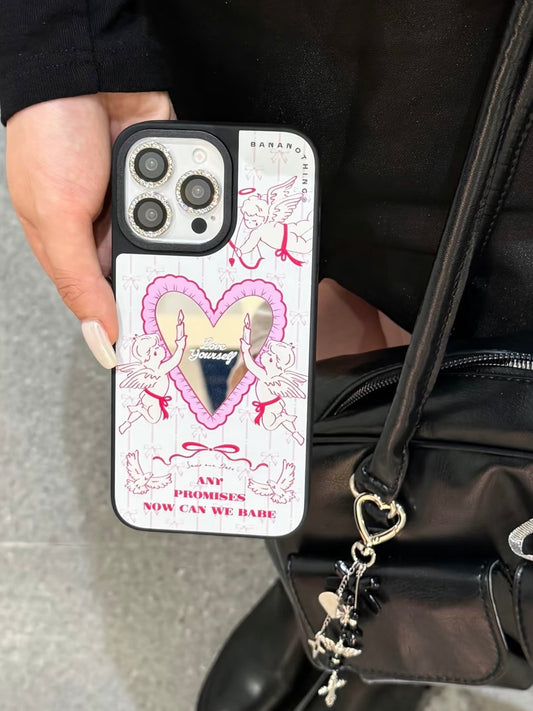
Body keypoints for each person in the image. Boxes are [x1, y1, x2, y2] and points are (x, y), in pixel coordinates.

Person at [2, 2, 531, 710]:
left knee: (493, 343)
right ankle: (344, 563)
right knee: (293, 295)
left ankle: (419, 586)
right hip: (280, 33)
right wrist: (61, 51)